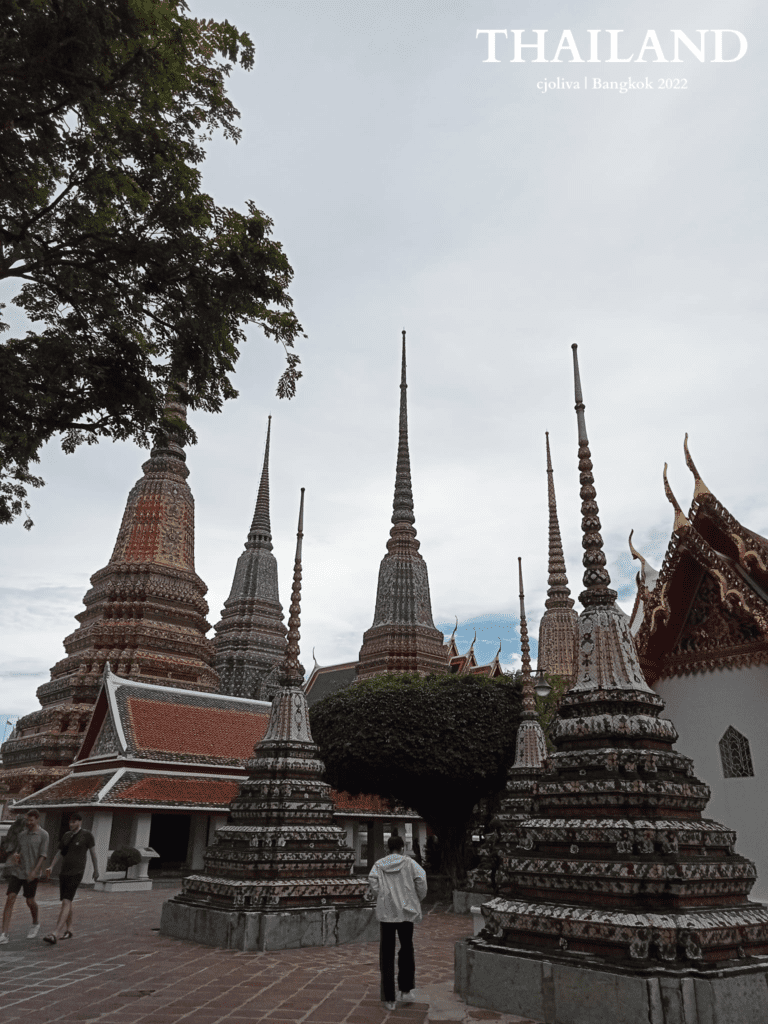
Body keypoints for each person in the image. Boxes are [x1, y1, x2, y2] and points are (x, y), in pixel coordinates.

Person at [368, 834, 428, 1011]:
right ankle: (406, 989)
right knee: (406, 949)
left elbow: (373, 882)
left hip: (387, 913)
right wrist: (417, 897)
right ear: (402, 848)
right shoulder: (409, 863)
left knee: (386, 953)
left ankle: (389, 998)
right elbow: (421, 880)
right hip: (406, 912)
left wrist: (382, 895)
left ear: (388, 848)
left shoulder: (379, 864)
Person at [43, 811, 99, 944]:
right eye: (70, 822)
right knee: (67, 901)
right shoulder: (67, 836)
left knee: (66, 901)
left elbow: (93, 854)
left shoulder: (87, 835)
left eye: (74, 822)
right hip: (64, 871)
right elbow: (59, 853)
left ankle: (55, 933)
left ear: (79, 822)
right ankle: (70, 929)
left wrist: (96, 870)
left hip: (77, 872)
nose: (71, 824)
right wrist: (51, 866)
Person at [0, 809, 49, 943]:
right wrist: (16, 856)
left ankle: (35, 922)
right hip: (18, 872)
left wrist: (35, 871)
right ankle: (4, 934)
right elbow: (18, 850)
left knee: (30, 901)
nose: (28, 822)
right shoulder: (22, 835)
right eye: (27, 820)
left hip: (31, 873)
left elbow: (43, 855)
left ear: (37, 819)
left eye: (31, 820)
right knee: (10, 898)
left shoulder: (44, 835)